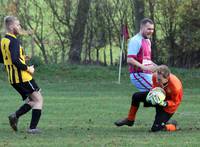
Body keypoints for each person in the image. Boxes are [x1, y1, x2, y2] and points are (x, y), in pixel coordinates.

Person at [0, 16, 43, 134]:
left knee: (33, 100)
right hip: (23, 77)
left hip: (13, 79)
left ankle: (15, 116)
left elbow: (4, 58)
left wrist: (22, 58)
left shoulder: (4, 41)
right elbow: (14, 60)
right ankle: (32, 128)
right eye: (18, 25)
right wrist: (28, 68)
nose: (19, 27)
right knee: (38, 99)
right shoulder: (14, 41)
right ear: (11, 26)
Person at [114, 65, 183, 132]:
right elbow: (155, 88)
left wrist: (165, 103)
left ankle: (173, 125)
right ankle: (130, 120)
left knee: (156, 129)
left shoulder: (176, 87)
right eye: (157, 79)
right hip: (157, 98)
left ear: (167, 78)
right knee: (136, 96)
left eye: (160, 80)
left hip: (168, 106)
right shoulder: (155, 76)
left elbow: (176, 102)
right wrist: (152, 95)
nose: (157, 81)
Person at [127, 18, 157, 92]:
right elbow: (130, 60)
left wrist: (158, 67)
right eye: (149, 29)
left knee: (159, 93)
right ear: (142, 28)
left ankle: (136, 100)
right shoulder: (135, 40)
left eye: (152, 29)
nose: (151, 31)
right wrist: (144, 67)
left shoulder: (148, 41)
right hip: (138, 75)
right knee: (158, 92)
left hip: (148, 75)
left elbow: (147, 60)